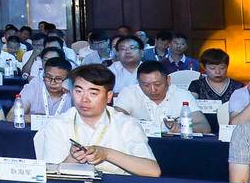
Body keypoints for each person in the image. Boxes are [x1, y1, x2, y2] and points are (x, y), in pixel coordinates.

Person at [33, 64, 161, 177]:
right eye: (78, 91)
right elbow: (49, 174)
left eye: (93, 93)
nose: (84, 99)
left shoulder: (126, 124)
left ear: (109, 96)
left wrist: (106, 154)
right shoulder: (58, 124)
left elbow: (153, 171)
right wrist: (72, 159)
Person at [115, 61, 210, 134]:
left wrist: (181, 128)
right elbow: (115, 121)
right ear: (138, 83)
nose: (152, 90)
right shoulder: (129, 93)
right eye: (146, 85)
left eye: (157, 84)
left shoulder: (182, 95)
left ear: (168, 80)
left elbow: (204, 127)